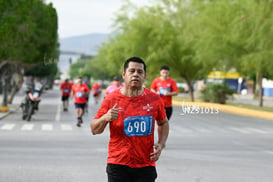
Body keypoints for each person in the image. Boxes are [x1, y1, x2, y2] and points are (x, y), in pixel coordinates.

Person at [90, 56, 169, 182]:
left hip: (146, 164)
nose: (136, 75)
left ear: (145, 76)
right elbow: (94, 129)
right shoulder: (112, 99)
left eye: (140, 72)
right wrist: (105, 118)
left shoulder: (154, 99)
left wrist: (161, 144)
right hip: (118, 163)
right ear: (124, 74)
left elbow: (163, 123)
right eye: (131, 71)